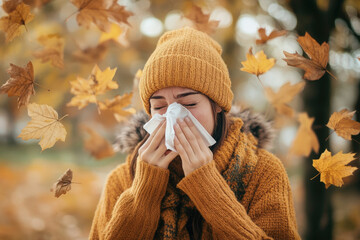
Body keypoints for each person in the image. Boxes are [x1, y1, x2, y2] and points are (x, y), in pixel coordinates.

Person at [89, 26, 300, 239]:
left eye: (188, 103)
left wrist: (209, 188)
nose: (173, 116)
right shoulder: (123, 178)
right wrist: (144, 193)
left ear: (217, 106)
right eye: (159, 107)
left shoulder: (263, 172)